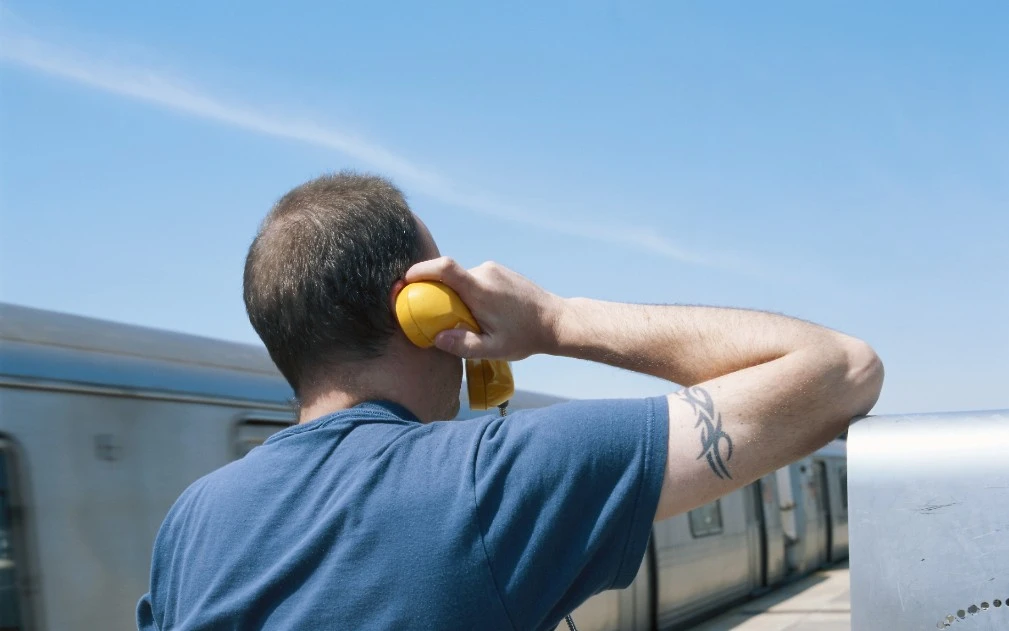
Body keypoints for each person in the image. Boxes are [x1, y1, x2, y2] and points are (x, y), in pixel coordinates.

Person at [136, 171, 883, 630]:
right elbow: (839, 369)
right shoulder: (490, 480)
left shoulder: (192, 522)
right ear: (421, 307)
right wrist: (555, 321)